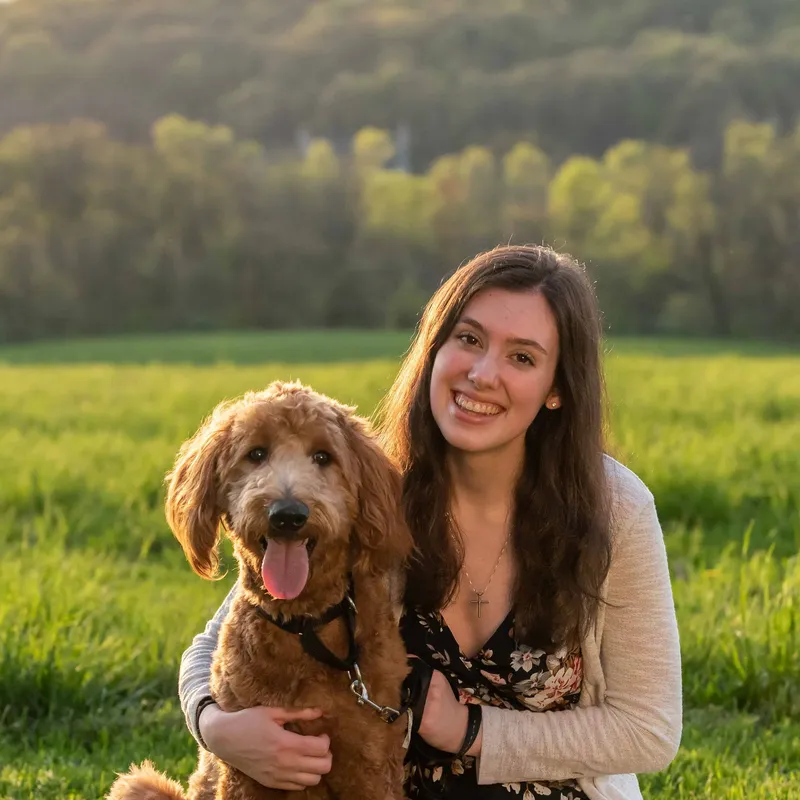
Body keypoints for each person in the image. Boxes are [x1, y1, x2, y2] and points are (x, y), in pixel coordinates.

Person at [178, 244, 682, 799]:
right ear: (433, 351)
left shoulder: (614, 508)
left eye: (522, 358)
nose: (483, 374)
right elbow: (226, 632)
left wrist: (472, 731)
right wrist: (217, 727)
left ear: (558, 388)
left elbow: (649, 729)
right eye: (468, 340)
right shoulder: (375, 494)